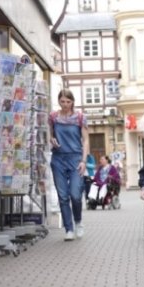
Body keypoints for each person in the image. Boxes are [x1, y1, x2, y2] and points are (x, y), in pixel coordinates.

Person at [49, 89, 89, 241]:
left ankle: (78, 221)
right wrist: (51, 139)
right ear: (58, 101)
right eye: (62, 101)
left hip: (75, 158)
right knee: (63, 196)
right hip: (58, 158)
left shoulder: (80, 118)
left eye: (68, 101)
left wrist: (83, 161)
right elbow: (50, 134)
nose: (65, 104)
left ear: (72, 102)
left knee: (75, 195)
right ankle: (69, 229)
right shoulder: (53, 117)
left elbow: (86, 140)